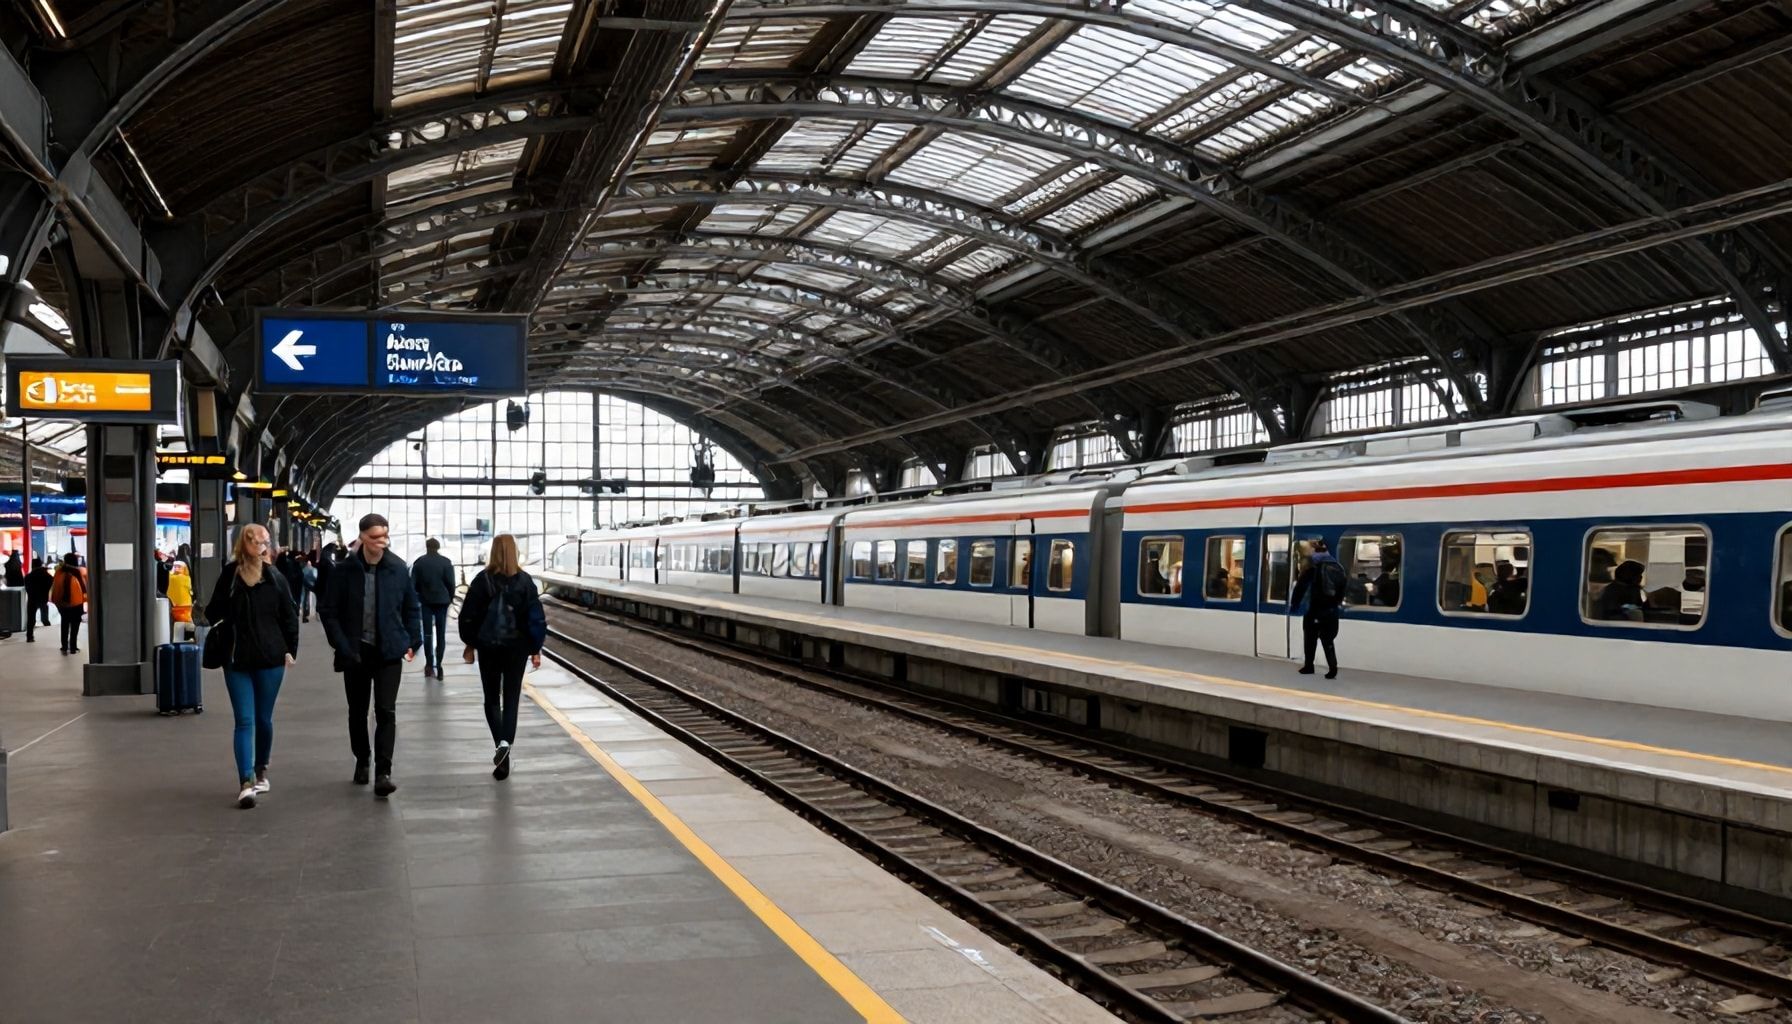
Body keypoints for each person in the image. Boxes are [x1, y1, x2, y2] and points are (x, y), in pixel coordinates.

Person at [318, 514, 420, 798]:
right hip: (356, 651)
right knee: (358, 712)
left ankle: (383, 772)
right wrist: (341, 644)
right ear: (362, 537)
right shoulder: (344, 571)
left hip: (388, 651)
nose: (382, 542)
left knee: (386, 711)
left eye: (385, 535)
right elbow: (328, 611)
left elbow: (412, 607)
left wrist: (413, 640)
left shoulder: (398, 569)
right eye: (376, 537)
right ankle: (362, 758)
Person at [203, 524, 299, 809]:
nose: (263, 547)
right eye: (257, 542)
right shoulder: (230, 576)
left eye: (266, 542)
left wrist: (290, 651)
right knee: (244, 720)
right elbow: (212, 611)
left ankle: (261, 769)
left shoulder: (276, 577)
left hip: (270, 659)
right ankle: (246, 781)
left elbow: (289, 616)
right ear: (244, 544)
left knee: (263, 719)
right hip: (237, 659)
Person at [458, 534, 547, 781]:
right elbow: (536, 619)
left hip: (489, 648)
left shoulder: (481, 581)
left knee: (491, 699)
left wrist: (471, 642)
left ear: (493, 552)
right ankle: (506, 744)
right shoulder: (525, 582)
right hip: (516, 650)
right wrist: (535, 647)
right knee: (511, 700)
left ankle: (501, 746)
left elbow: (467, 617)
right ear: (514, 552)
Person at [1290, 539, 1345, 679]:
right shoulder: (1339, 568)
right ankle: (1333, 668)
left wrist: (1294, 605)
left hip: (1314, 609)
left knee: (1310, 638)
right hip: (1332, 610)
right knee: (1328, 641)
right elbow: (1342, 591)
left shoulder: (1312, 568)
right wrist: (1335, 603)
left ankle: (1309, 666)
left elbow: (1300, 588)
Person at [412, 538, 458, 681]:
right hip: (442, 602)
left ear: (426, 547)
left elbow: (413, 585)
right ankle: (440, 664)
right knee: (441, 634)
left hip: (426, 601)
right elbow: (451, 583)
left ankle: (429, 665)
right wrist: (449, 598)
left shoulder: (419, 563)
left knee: (427, 634)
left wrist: (420, 595)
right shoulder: (446, 562)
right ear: (438, 547)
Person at [49, 552, 87, 655]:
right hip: (75, 602)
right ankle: (73, 647)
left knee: (64, 623)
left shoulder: (59, 571)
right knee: (75, 624)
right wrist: (85, 598)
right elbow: (83, 587)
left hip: (61, 602)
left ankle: (64, 646)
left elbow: (54, 586)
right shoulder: (77, 571)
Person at [23, 557, 53, 643]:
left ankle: (29, 636)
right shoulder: (47, 576)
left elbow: (27, 588)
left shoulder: (28, 576)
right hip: (43, 598)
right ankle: (50, 633)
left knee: (31, 619)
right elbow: (51, 583)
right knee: (45, 618)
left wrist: (31, 594)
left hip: (32, 599)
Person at [167, 561, 194, 628]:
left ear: (184, 569)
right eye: (175, 566)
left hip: (176, 605)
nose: (176, 568)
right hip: (184, 605)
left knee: (172, 624)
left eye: (179, 567)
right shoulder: (187, 578)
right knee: (182, 625)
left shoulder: (172, 577)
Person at [299, 553, 317, 623]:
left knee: (304, 598)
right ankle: (306, 613)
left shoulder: (303, 568)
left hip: (304, 584)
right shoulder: (312, 569)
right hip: (309, 584)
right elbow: (315, 577)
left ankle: (304, 613)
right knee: (307, 599)